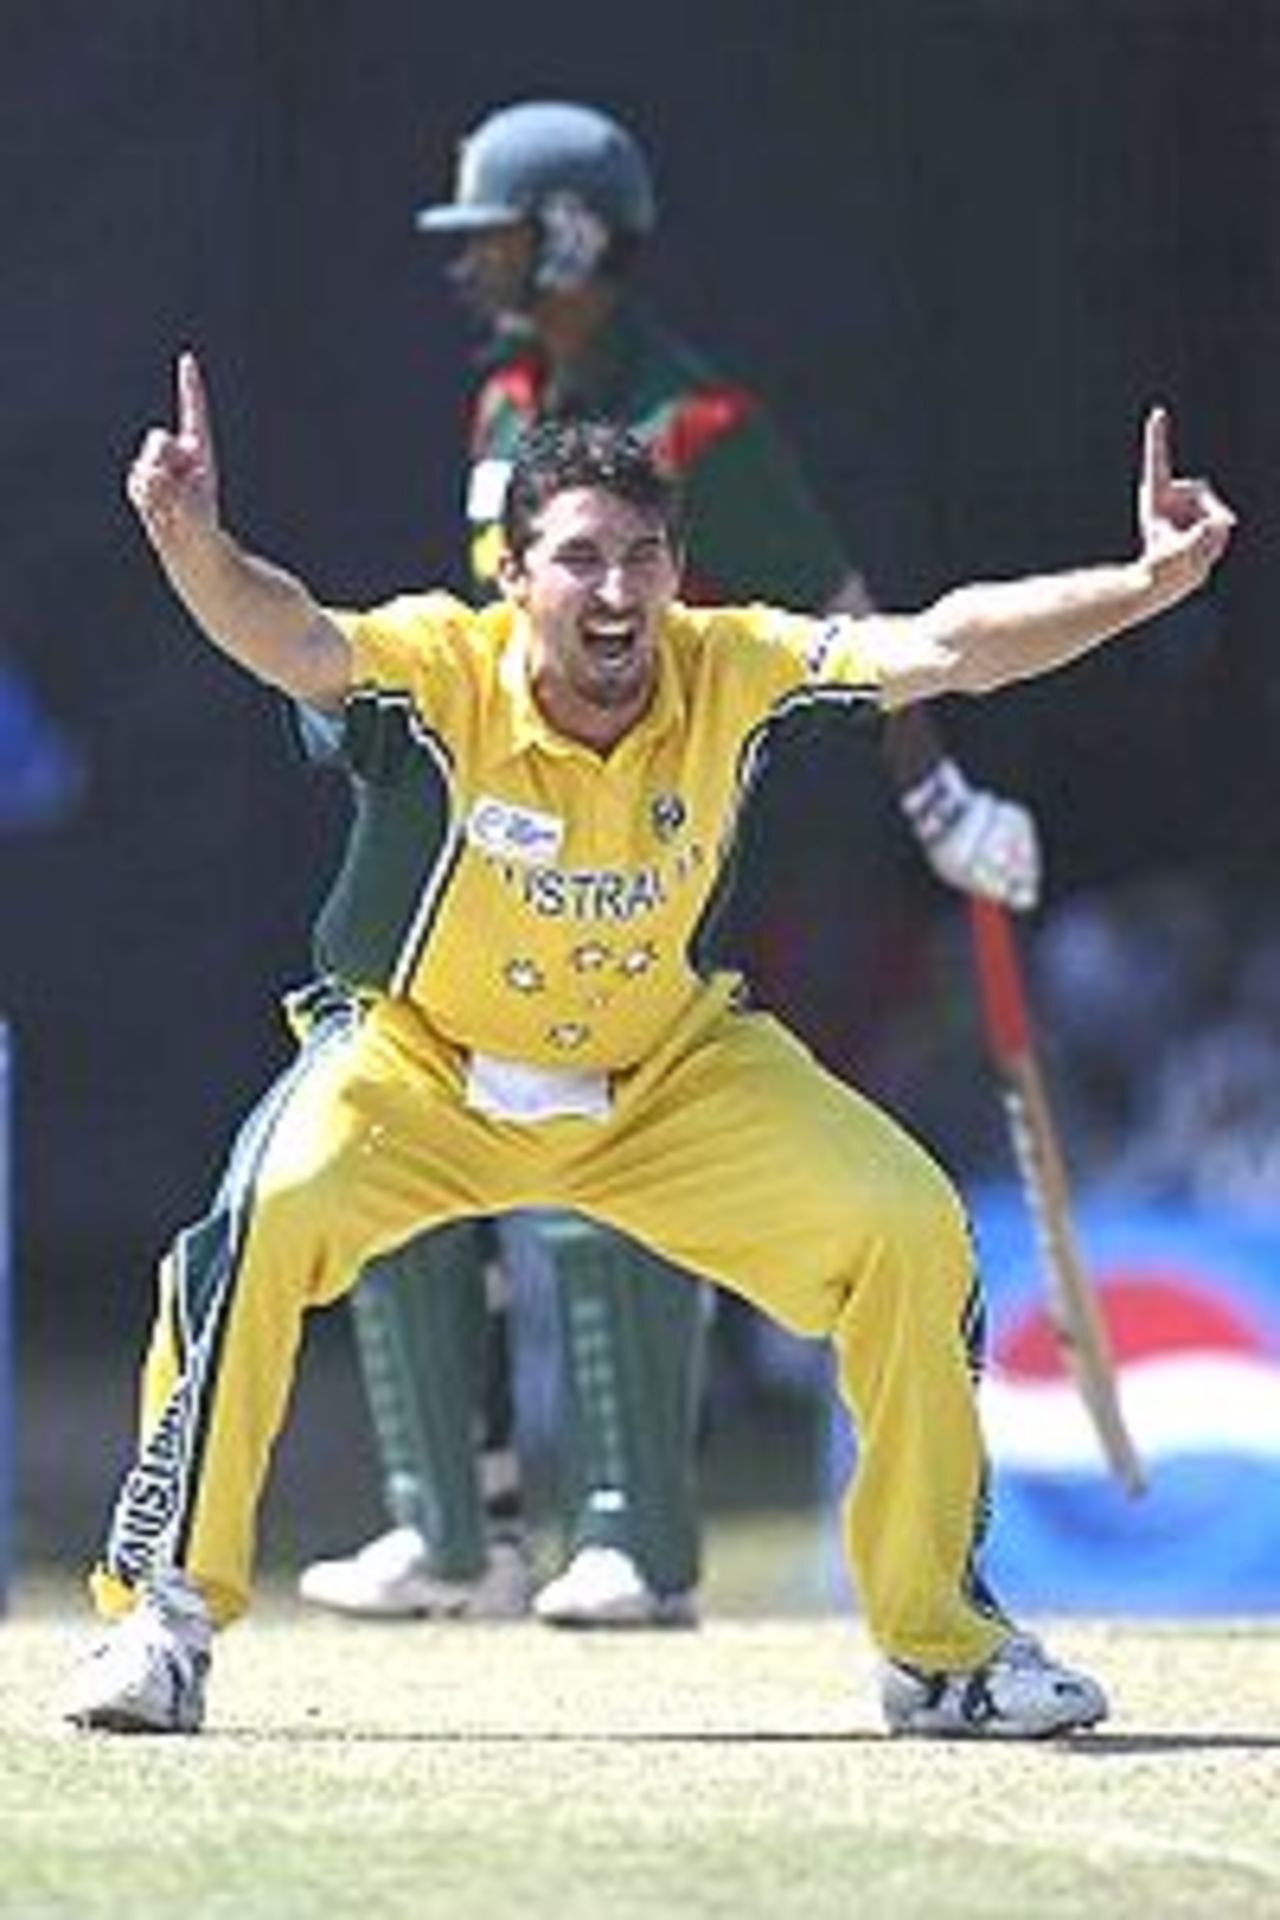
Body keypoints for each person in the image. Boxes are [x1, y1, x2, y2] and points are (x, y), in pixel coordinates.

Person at [63, 353, 1232, 1737]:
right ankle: (163, 1627)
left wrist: (1142, 584)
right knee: (253, 1227)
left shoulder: (731, 666)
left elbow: (948, 644)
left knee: (909, 1227)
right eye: (578, 562)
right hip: (420, 1070)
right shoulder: (441, 668)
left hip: (663, 1083)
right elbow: (291, 638)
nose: (614, 595)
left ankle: (943, 1651)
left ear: (679, 571)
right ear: (514, 574)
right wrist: (192, 544)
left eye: (642, 559)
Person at [297, 99, 1043, 1631]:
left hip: (651, 848)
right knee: (396, 1117)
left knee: (610, 1148)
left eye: (494, 235)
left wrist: (938, 798)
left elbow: (852, 624)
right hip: (492, 828)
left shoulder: (697, 425)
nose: (469, 265)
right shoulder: (507, 398)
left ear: (569, 234)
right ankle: (457, 1530)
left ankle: (633, 1531)